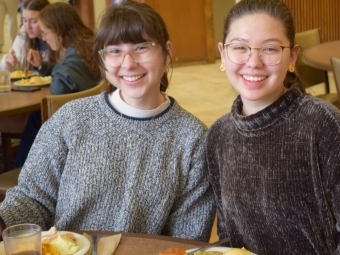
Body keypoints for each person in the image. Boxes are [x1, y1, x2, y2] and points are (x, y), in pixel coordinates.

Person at [0, 1, 215, 242]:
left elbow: (187, 239)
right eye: (114, 51)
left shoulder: (192, 137)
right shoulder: (71, 119)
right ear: (102, 61)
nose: (128, 62)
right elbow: (33, 198)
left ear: (167, 53)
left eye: (142, 47)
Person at [206, 0, 340, 254]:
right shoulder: (218, 136)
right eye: (240, 47)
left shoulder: (324, 125)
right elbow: (228, 234)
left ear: (293, 56)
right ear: (223, 54)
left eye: (269, 48)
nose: (253, 62)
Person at [13, 2, 101, 168]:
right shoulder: (86, 44)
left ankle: (22, 171)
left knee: (35, 117)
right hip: (92, 115)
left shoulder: (75, 52)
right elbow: (70, 71)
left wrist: (55, 70)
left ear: (59, 31)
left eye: (46, 33)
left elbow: (59, 87)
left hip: (80, 123)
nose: (44, 38)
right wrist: (43, 67)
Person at [0, 0, 51, 72]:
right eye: (24, 20)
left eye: (33, 21)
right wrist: (7, 63)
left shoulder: (56, 37)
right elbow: (7, 66)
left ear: (48, 19)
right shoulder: (24, 31)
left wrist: (41, 66)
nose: (28, 26)